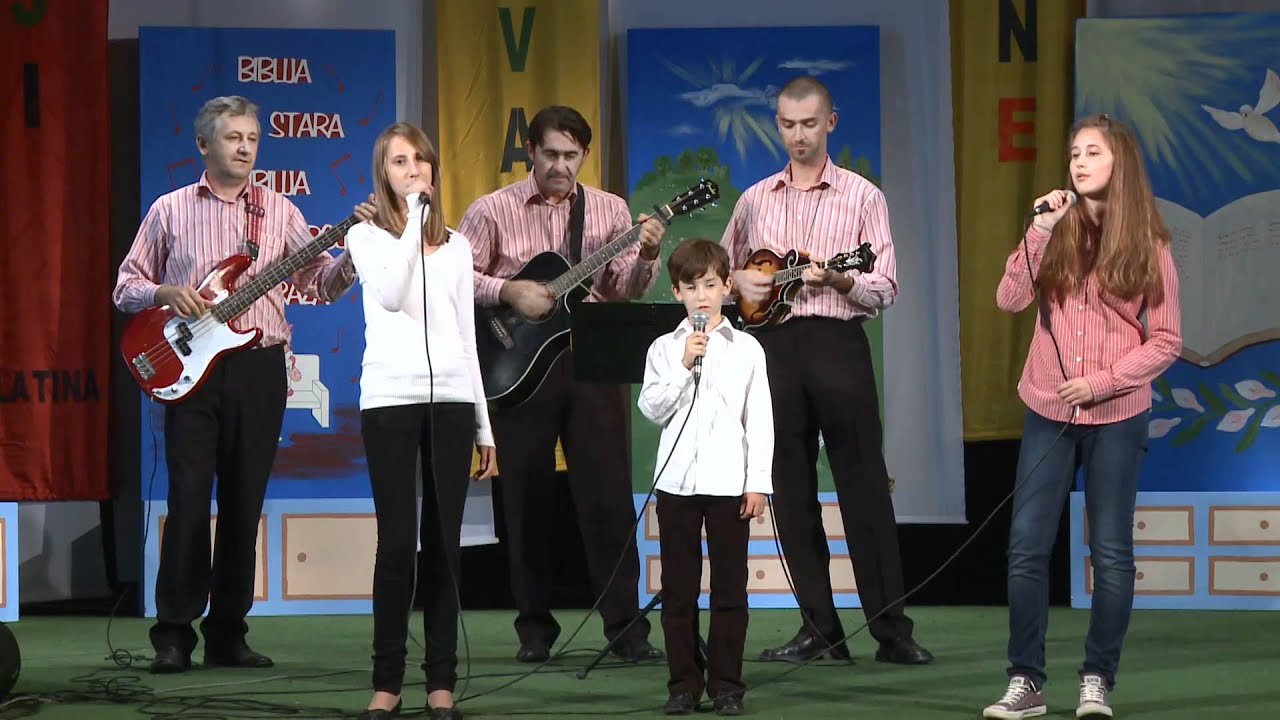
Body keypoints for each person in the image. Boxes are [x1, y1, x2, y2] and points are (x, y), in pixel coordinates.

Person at [113, 95, 375, 674]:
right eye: (233, 137)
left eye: (252, 138)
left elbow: (317, 283)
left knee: (243, 501)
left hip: (259, 367)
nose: (245, 147)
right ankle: (173, 636)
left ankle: (228, 634)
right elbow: (125, 284)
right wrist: (164, 294)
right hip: (190, 370)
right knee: (186, 502)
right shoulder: (170, 210)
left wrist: (352, 257)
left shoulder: (278, 210)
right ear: (204, 145)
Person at [721, 76, 933, 666]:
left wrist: (838, 278)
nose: (797, 135)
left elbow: (885, 285)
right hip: (772, 353)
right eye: (787, 124)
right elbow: (724, 274)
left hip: (838, 344)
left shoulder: (864, 196)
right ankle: (820, 629)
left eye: (809, 124)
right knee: (788, 492)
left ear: (831, 122)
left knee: (864, 488)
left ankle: (892, 631)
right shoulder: (755, 198)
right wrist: (742, 281)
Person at [983, 113, 1181, 720]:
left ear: (1119, 163)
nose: (1078, 161)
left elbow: (1167, 340)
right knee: (1026, 547)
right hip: (1049, 409)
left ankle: (1097, 678)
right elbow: (1009, 298)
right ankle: (1027, 682)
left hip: (1118, 412)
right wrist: (1038, 230)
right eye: (1073, 152)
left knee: (1112, 553)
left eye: (1092, 152)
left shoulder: (1151, 244)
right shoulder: (1054, 230)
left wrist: (1101, 382)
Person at [458, 105, 666, 663]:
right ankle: (534, 631)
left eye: (571, 156)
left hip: (591, 362)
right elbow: (456, 279)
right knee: (525, 499)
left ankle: (627, 629)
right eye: (549, 153)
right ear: (530, 150)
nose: (559, 165)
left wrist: (647, 252)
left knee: (607, 499)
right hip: (517, 367)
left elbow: (625, 290)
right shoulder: (491, 210)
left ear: (585, 156)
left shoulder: (609, 210)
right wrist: (509, 292)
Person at [344, 122, 496, 720]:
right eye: (401, 162)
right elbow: (389, 294)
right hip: (389, 400)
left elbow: (465, 338)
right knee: (397, 544)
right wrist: (411, 223)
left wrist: (484, 427)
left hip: (453, 402)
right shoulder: (365, 237)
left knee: (444, 545)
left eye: (422, 161)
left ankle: (440, 683)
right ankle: (386, 683)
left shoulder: (457, 245)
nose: (414, 170)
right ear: (385, 173)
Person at [637, 239, 773, 717]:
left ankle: (727, 685)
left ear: (727, 286)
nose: (702, 295)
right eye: (691, 287)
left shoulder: (747, 349)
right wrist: (682, 365)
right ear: (676, 292)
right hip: (676, 486)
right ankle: (683, 685)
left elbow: (759, 420)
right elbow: (651, 408)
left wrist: (757, 482)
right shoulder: (665, 348)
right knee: (678, 590)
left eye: (711, 285)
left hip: (728, 486)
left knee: (730, 590)